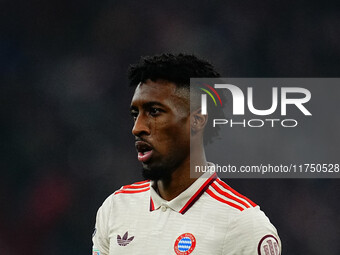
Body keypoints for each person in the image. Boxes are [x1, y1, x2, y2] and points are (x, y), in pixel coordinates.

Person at [92, 53, 281, 255]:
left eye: (154, 111)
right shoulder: (115, 208)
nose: (137, 128)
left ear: (197, 120)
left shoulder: (242, 224)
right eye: (135, 114)